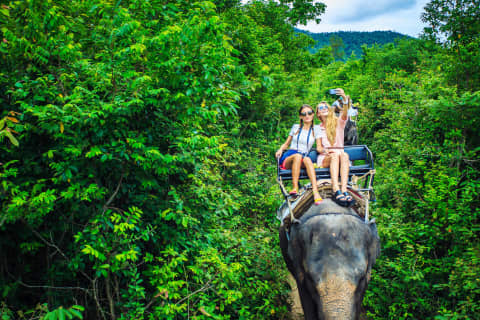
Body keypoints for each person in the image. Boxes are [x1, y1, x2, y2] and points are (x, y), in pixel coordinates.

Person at [275, 104, 323, 205]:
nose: (307, 116)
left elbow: (319, 146)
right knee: (297, 156)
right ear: (300, 116)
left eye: (309, 113)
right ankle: (295, 187)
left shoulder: (316, 129)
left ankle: (315, 191)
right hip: (290, 156)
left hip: (303, 156)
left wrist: (325, 151)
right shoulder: (296, 127)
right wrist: (280, 149)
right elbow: (286, 143)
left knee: (307, 160)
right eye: (304, 114)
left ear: (313, 114)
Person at [316, 88, 355, 207]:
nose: (324, 109)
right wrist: (326, 150)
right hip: (326, 156)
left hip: (340, 155)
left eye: (325, 107)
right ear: (318, 114)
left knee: (344, 155)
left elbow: (345, 113)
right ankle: (335, 188)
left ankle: (344, 189)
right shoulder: (318, 128)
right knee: (335, 155)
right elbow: (318, 148)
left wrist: (344, 98)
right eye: (321, 108)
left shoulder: (339, 122)